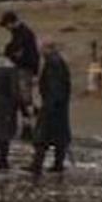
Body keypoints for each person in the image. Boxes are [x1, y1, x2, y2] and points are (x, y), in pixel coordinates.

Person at [30, 39, 72, 174]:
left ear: (48, 49)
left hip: (53, 105)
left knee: (42, 137)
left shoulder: (53, 63)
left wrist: (49, 105)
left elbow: (55, 86)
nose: (40, 52)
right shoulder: (56, 61)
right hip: (58, 105)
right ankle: (57, 164)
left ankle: (37, 165)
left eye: (42, 49)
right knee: (59, 137)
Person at [0, 10, 40, 131]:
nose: (6, 28)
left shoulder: (23, 34)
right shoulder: (21, 32)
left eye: (6, 25)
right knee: (22, 98)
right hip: (25, 68)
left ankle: (33, 122)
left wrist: (9, 55)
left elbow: (19, 53)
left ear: (11, 23)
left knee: (24, 99)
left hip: (25, 69)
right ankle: (27, 124)